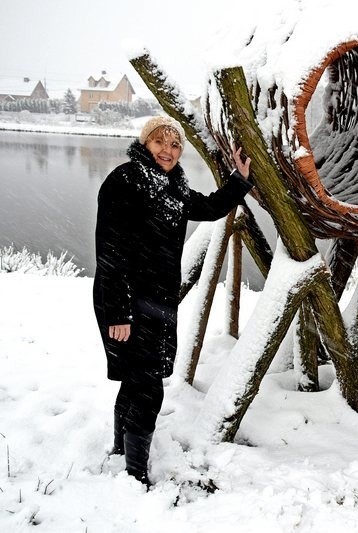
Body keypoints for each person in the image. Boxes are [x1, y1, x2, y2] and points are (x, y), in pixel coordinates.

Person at [93, 116, 252, 486]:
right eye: (160, 142)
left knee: (137, 379)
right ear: (145, 143)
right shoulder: (126, 182)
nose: (168, 150)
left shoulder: (173, 185)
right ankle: (135, 474)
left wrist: (239, 181)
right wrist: (119, 312)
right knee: (148, 386)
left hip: (158, 301)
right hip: (126, 300)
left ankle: (122, 448)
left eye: (175, 145)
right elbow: (110, 252)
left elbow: (210, 208)